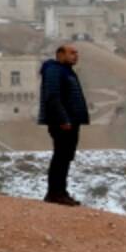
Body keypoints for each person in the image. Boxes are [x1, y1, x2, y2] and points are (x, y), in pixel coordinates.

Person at [38, 44, 90, 206]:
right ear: (60, 55)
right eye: (72, 53)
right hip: (62, 123)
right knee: (60, 157)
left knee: (65, 157)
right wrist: (63, 119)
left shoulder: (66, 70)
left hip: (70, 121)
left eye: (77, 52)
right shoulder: (54, 70)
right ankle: (55, 193)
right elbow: (52, 97)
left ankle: (61, 191)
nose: (76, 55)